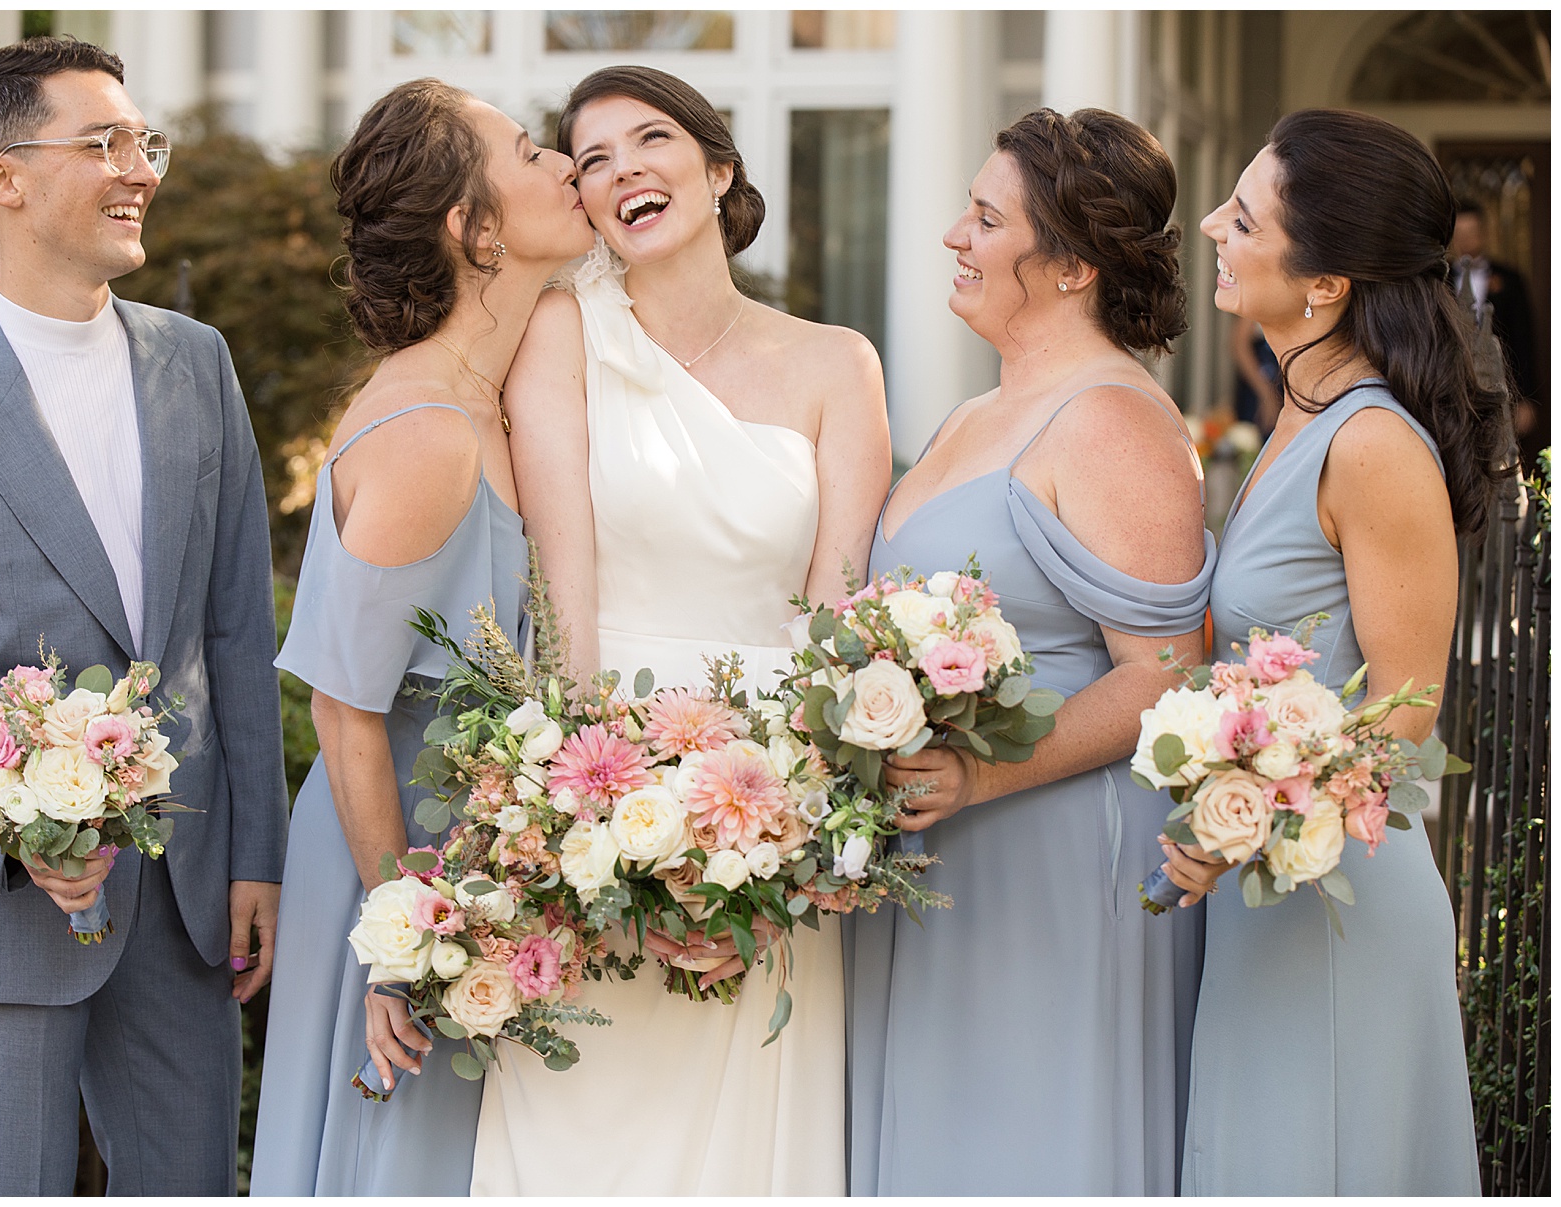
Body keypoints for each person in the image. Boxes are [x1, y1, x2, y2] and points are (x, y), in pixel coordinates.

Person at [0, 36, 288, 1195]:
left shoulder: (201, 364)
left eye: (145, 142)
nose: (139, 168)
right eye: (104, 144)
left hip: (186, 906)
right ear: (4, 178)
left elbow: (233, 631)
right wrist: (15, 824)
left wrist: (255, 855)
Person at [466, 65, 891, 1194]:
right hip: (602, 775)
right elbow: (563, 585)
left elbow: (838, 618)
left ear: (718, 170)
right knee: (582, 1123)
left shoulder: (837, 363)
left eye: (650, 140)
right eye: (591, 160)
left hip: (773, 794)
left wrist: (785, 826)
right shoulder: (561, 334)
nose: (620, 172)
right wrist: (591, 813)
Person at [847, 108, 1213, 1196]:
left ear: (1072, 265)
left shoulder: (1114, 420)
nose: (954, 235)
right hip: (941, 849)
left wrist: (978, 771)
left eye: (984, 216)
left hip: (1049, 853)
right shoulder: (975, 412)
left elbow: (1169, 671)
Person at [249, 80, 593, 1195]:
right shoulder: (425, 431)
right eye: (532, 150)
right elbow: (344, 710)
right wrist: (403, 941)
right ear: (473, 227)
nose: (565, 167)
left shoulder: (487, 398)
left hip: (461, 856)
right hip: (392, 859)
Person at [1164, 108, 1509, 1194]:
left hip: (1333, 902)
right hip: (1269, 891)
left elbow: (1405, 721)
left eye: (1246, 213)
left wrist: (1244, 819)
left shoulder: (1371, 444)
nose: (1214, 222)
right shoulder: (1298, 418)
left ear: (1325, 286)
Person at [1449, 202, 1542, 471]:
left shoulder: (1511, 280)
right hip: (1455, 387)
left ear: (1485, 233)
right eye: (1460, 233)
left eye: (1472, 231)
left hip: (1502, 384)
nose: (1466, 239)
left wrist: (1527, 399)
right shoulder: (1438, 281)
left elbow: (1524, 341)